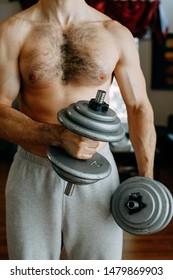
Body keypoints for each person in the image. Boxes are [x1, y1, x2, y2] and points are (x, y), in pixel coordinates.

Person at [0, 0, 156, 260]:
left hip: (98, 172)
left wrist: (146, 178)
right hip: (34, 170)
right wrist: (57, 136)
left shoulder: (114, 33)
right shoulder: (14, 30)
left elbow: (138, 106)